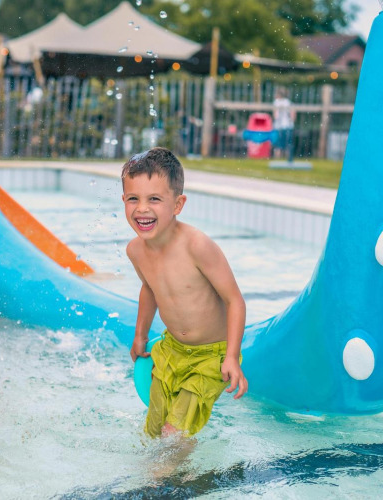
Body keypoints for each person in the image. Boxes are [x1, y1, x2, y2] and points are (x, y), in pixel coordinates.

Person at [122, 147, 248, 438]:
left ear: (178, 204)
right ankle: (172, 475)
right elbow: (149, 290)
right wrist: (140, 335)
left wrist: (231, 357)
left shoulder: (196, 246)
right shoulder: (136, 250)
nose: (142, 209)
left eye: (154, 199)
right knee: (154, 430)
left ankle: (167, 482)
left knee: (174, 433)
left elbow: (234, 301)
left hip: (210, 356)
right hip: (171, 351)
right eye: (133, 199)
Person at [273, 88, 296, 162]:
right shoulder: (288, 102)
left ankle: (278, 158)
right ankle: (288, 159)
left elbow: (275, 114)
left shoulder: (276, 102)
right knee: (288, 143)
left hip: (279, 125)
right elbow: (293, 112)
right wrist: (292, 120)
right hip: (288, 125)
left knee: (278, 144)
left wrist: (276, 119)